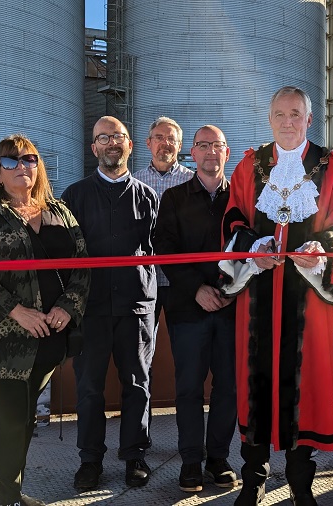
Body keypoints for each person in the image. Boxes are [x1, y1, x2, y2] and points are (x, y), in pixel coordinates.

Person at [219, 86, 333, 506]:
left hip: (309, 298)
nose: (287, 121)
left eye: (295, 113)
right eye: (279, 113)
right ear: (270, 118)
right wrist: (253, 249)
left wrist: (320, 250)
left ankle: (300, 482)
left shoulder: (330, 166)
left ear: (309, 119)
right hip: (258, 294)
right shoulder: (249, 164)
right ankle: (253, 479)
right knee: (254, 382)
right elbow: (234, 216)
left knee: (307, 382)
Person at [0, 134, 90, 506]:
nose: (21, 168)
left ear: (38, 166)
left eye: (28, 159)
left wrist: (68, 306)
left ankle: (13, 490)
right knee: (11, 419)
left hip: (48, 335)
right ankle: (8, 499)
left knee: (26, 418)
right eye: (10, 162)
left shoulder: (60, 211)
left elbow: (82, 265)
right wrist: (18, 311)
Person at [63, 116, 159, 491]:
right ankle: (90, 462)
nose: (111, 144)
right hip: (91, 308)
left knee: (138, 384)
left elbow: (155, 252)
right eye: (103, 138)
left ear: (129, 145)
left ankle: (135, 456)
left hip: (136, 306)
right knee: (89, 387)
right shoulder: (74, 196)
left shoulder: (148, 196)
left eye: (118, 137)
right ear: (94, 148)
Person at [154, 125, 238, 493]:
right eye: (203, 146)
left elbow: (252, 249)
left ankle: (218, 458)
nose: (209, 152)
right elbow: (165, 250)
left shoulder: (241, 199)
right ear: (193, 152)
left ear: (226, 152)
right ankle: (191, 461)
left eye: (216, 146)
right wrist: (196, 289)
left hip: (232, 308)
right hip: (187, 308)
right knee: (188, 387)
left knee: (228, 388)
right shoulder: (172, 198)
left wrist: (235, 289)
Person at [133, 116, 194, 329]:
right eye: (159, 137)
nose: (165, 143)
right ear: (148, 143)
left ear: (179, 145)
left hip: (180, 280)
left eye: (171, 139)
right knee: (143, 344)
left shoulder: (192, 182)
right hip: (144, 279)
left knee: (184, 343)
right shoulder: (134, 182)